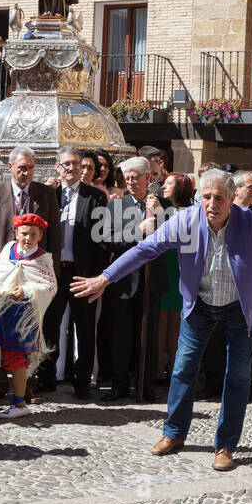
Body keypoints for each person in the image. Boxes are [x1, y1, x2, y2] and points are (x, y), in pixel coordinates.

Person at [72, 169, 252, 471]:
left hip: (239, 309)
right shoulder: (185, 221)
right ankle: (174, 433)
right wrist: (106, 278)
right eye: (206, 197)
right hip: (199, 306)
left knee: (238, 377)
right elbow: (146, 249)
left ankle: (225, 444)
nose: (211, 204)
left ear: (231, 199)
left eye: (218, 198)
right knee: (183, 370)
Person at [0, 145, 60, 403]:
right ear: (11, 168)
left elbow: (55, 237)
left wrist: (49, 274)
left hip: (33, 278)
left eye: (30, 168)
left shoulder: (46, 194)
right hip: (2, 276)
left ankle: (27, 387)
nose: (25, 172)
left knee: (29, 332)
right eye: (21, 167)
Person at [37, 146, 108, 399]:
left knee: (85, 330)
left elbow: (102, 239)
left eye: (76, 164)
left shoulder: (95, 197)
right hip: (54, 272)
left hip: (82, 274)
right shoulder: (49, 195)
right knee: (49, 327)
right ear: (58, 167)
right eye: (66, 164)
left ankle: (81, 383)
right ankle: (46, 378)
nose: (71, 168)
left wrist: (97, 276)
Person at [95, 156, 164, 403]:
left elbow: (171, 239)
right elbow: (106, 239)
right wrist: (137, 231)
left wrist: (159, 214)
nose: (132, 182)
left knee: (147, 336)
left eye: (137, 177)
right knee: (121, 336)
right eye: (128, 178)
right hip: (124, 281)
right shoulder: (115, 206)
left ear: (148, 177)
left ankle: (145, 386)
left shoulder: (160, 205)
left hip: (151, 281)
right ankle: (119, 385)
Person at [0, 213, 58, 419]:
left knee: (17, 358)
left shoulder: (42, 259)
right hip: (1, 312)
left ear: (40, 236)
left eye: (33, 234)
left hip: (22, 318)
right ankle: (5, 390)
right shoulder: (8, 250)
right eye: (24, 233)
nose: (28, 238)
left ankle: (20, 402)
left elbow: (50, 287)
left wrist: (27, 290)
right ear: (16, 233)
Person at [156, 172, 194, 383]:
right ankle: (159, 367)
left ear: (180, 187)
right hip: (164, 266)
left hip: (180, 268)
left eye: (168, 183)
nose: (163, 187)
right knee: (162, 319)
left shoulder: (188, 212)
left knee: (176, 321)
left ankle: (173, 368)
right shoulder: (161, 210)